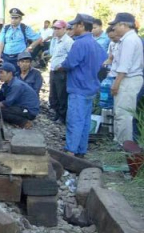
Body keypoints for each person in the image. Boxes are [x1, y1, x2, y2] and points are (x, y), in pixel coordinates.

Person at [59, 14, 107, 157]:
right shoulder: (96, 44)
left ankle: (71, 151)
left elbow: (70, 63)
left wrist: (61, 66)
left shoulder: (79, 43)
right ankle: (81, 149)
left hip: (78, 87)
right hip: (90, 87)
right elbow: (103, 64)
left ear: (81, 25)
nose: (72, 28)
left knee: (75, 120)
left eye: (74, 25)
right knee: (85, 120)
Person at [108, 13, 144, 145]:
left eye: (116, 26)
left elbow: (124, 65)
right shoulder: (129, 39)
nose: (115, 29)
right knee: (120, 114)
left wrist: (116, 83)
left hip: (128, 80)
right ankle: (120, 142)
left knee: (124, 115)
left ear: (123, 25)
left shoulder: (129, 40)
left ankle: (124, 146)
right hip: (128, 79)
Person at [0, 8, 42, 74]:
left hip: (20, 58)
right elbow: (1, 43)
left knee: (19, 77)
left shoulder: (24, 28)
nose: (13, 20)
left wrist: (29, 48)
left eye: (16, 18)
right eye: (12, 18)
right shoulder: (6, 28)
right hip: (7, 57)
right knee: (7, 77)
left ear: (20, 19)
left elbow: (39, 39)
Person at [0, 62, 40, 128]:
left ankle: (24, 122)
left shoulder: (16, 85)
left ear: (10, 73)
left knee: (0, 112)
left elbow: (7, 103)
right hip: (19, 107)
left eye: (1, 72)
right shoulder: (6, 85)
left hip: (28, 111)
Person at [48, 20, 73, 124]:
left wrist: (62, 66)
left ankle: (63, 116)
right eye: (55, 28)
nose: (56, 31)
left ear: (64, 29)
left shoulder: (68, 41)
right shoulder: (56, 40)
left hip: (61, 72)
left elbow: (71, 57)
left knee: (61, 94)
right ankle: (57, 113)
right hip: (54, 71)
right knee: (54, 94)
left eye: (58, 28)